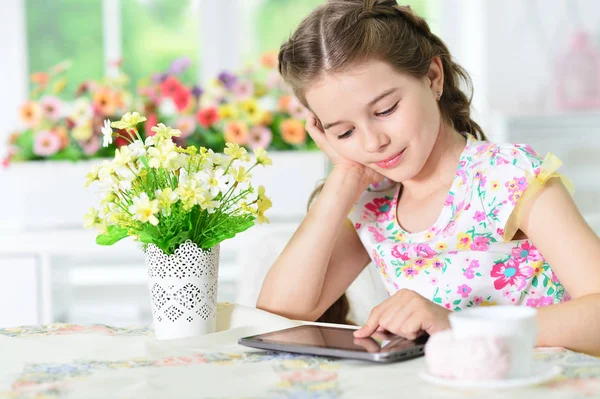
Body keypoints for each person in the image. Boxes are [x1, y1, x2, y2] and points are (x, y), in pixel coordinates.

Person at [256, 0, 600, 355]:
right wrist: (343, 178)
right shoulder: (372, 203)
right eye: (344, 132)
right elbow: (276, 316)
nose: (374, 142)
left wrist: (459, 326)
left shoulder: (507, 177)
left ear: (433, 77)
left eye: (386, 110)